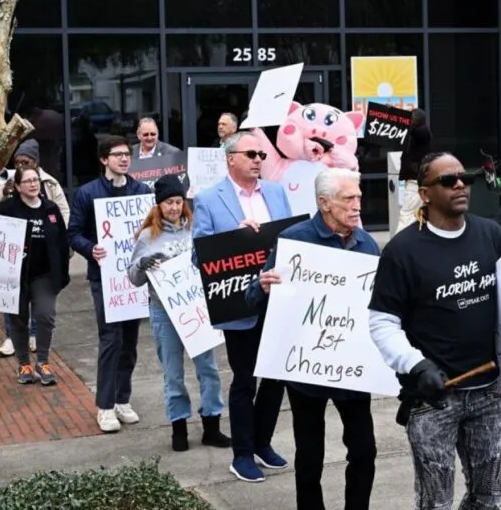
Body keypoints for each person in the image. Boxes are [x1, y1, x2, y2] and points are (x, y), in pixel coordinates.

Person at [369, 152, 501, 509]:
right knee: (436, 502)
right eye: (448, 180)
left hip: (487, 392)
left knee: (488, 497)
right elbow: (382, 322)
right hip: (433, 398)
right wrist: (416, 365)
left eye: (465, 177)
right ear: (425, 193)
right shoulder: (403, 250)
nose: (460, 184)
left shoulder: (489, 233)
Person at [245, 168, 378, 510]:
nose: (357, 205)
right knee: (310, 455)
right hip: (306, 369)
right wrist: (262, 286)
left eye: (359, 197)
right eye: (348, 198)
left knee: (364, 450)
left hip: (351, 368)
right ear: (324, 203)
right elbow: (251, 299)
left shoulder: (367, 243)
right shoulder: (294, 239)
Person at [192, 130, 294, 482]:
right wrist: (235, 237)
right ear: (230, 158)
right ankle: (243, 454)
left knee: (277, 377)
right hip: (239, 303)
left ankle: (262, 442)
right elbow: (198, 256)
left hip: (278, 299)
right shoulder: (208, 199)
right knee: (245, 379)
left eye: (262, 155)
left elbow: (293, 239)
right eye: (251, 154)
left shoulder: (278, 193)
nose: (258, 160)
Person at [127, 174, 232, 452]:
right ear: (158, 206)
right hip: (164, 312)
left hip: (196, 310)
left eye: (178, 201)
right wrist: (142, 264)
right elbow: (133, 278)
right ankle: (179, 425)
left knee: (208, 368)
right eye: (168, 203)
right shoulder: (149, 237)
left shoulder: (196, 229)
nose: (174, 208)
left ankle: (212, 423)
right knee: (172, 373)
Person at [67, 135, 152, 433]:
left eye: (127, 154)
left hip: (134, 278)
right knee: (110, 339)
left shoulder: (141, 191)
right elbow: (73, 232)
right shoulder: (87, 193)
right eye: (117, 155)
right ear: (104, 160)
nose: (124, 159)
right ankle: (104, 407)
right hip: (104, 277)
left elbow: (152, 229)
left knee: (130, 342)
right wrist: (90, 249)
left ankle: (122, 398)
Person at [0, 165, 70, 385]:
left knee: (45, 315)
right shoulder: (9, 208)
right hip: (15, 275)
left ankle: (43, 361)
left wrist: (62, 270)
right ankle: (23, 364)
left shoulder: (50, 209)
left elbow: (61, 240)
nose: (32, 184)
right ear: (18, 186)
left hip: (44, 275)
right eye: (27, 181)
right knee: (18, 319)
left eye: (35, 180)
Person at [396, 108, 432, 232]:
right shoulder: (418, 132)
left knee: (406, 214)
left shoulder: (421, 132)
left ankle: (398, 243)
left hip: (415, 181)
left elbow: (415, 132)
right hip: (415, 179)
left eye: (410, 118)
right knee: (417, 214)